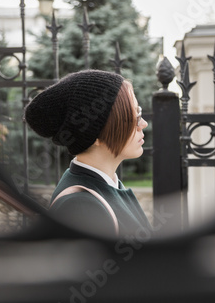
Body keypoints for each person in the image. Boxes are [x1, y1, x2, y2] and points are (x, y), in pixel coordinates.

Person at [24, 69, 151, 237]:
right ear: (95, 135)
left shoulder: (106, 185)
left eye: (139, 112)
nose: (144, 124)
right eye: (133, 117)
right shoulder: (81, 206)